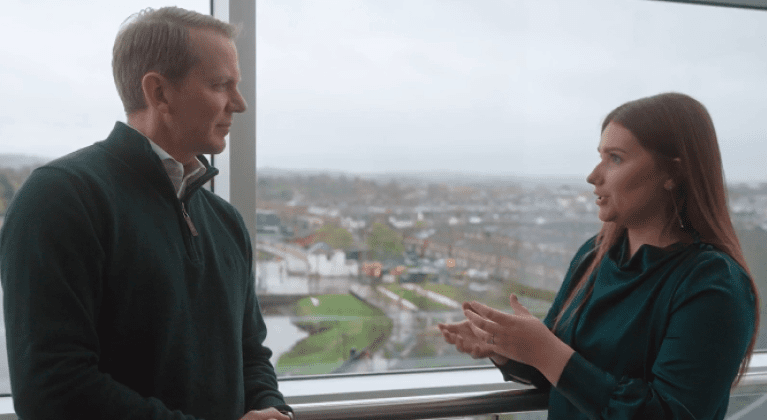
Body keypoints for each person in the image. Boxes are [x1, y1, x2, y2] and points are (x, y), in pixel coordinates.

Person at [0, 7, 293, 420]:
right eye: (221, 85)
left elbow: (250, 355)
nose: (240, 105)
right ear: (159, 92)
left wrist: (272, 409)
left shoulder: (225, 220)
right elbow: (53, 391)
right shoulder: (59, 198)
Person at [439, 92, 759, 419]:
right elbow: (558, 378)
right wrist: (504, 346)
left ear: (673, 173)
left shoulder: (714, 286)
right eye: (600, 156)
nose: (594, 176)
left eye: (615, 158)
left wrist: (546, 351)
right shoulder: (594, 255)